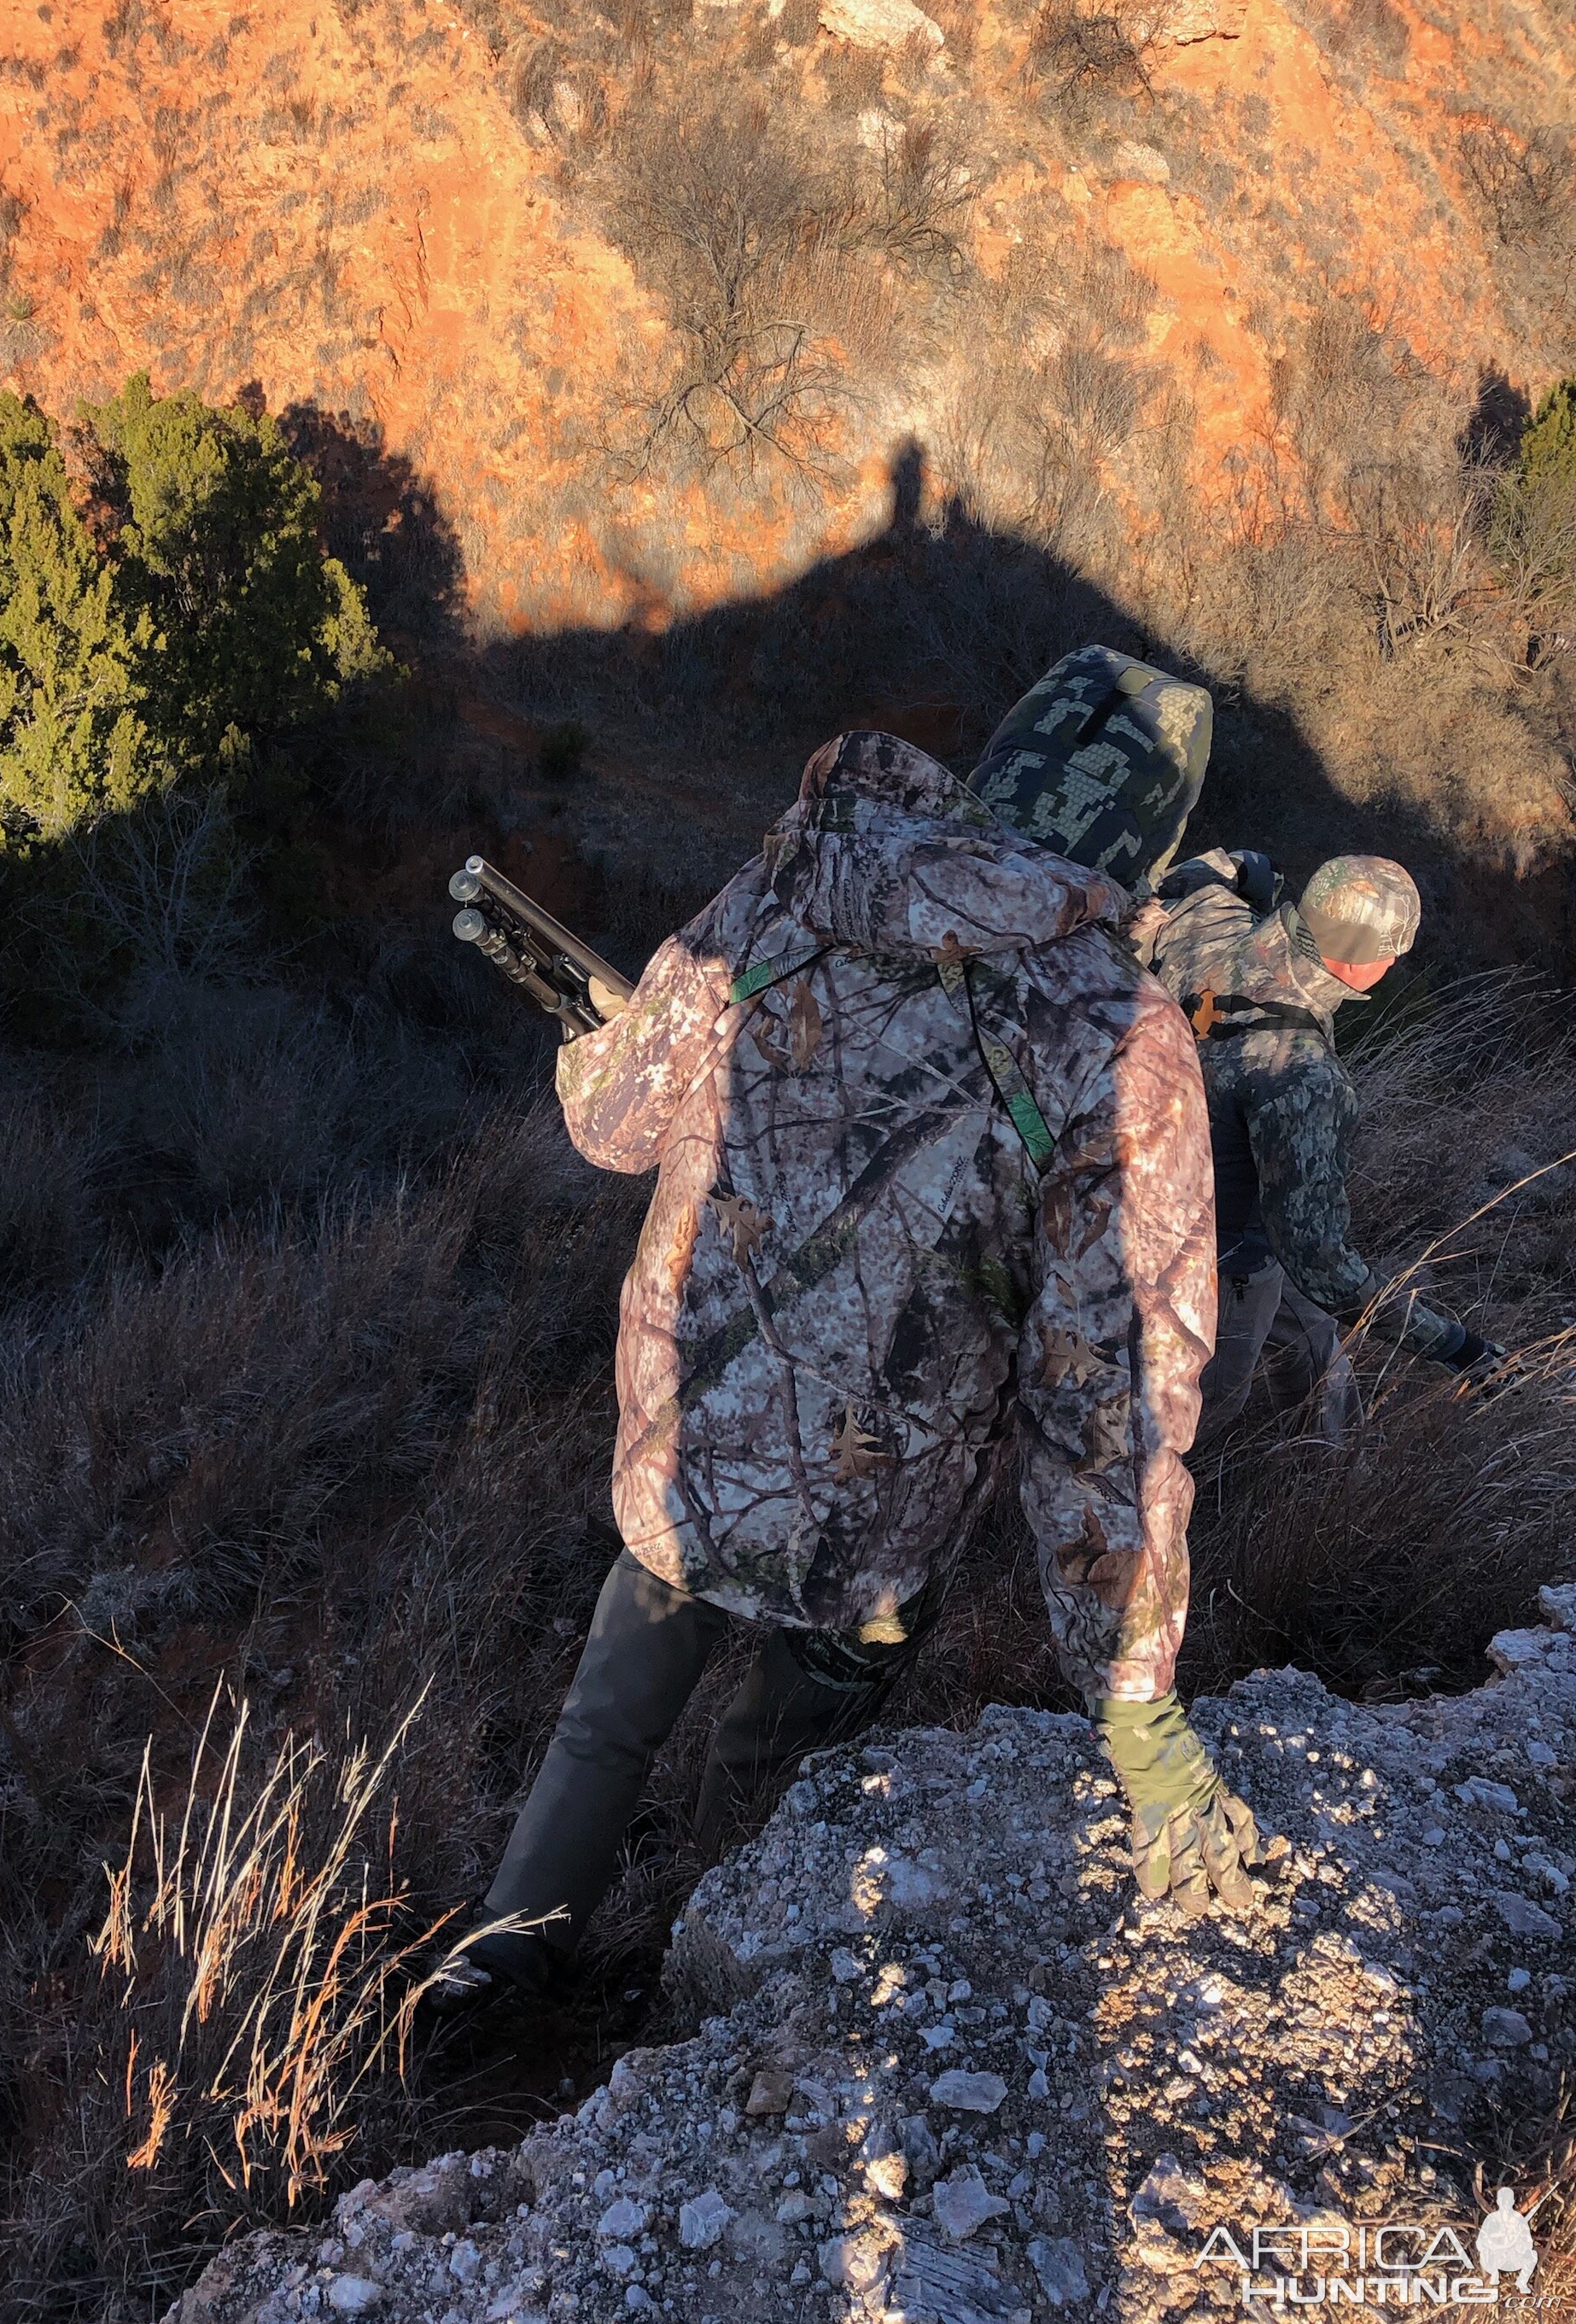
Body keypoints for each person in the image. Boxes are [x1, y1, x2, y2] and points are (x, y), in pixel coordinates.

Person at [460, 651, 1257, 1997]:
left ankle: (494, 1977)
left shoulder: (789, 888)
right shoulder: (1119, 1034)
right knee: (777, 1770)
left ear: (1003, 761)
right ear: (1149, 842)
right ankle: (704, 2012)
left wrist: (599, 1034)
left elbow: (612, 1125)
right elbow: (1107, 1403)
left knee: (604, 1724)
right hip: (874, 1521)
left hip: (694, 1439)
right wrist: (1139, 1717)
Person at [1134, 843, 1503, 1445]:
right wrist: (1454, 1347)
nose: (1394, 965)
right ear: (1360, 962)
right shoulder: (1304, 1078)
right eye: (1393, 951)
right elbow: (1322, 1265)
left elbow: (1193, 878)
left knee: (1316, 1353)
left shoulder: (1216, 926)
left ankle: (1329, 1476)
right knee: (1195, 1416)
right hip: (1221, 1263)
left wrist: (1250, 868)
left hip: (1159, 1182)